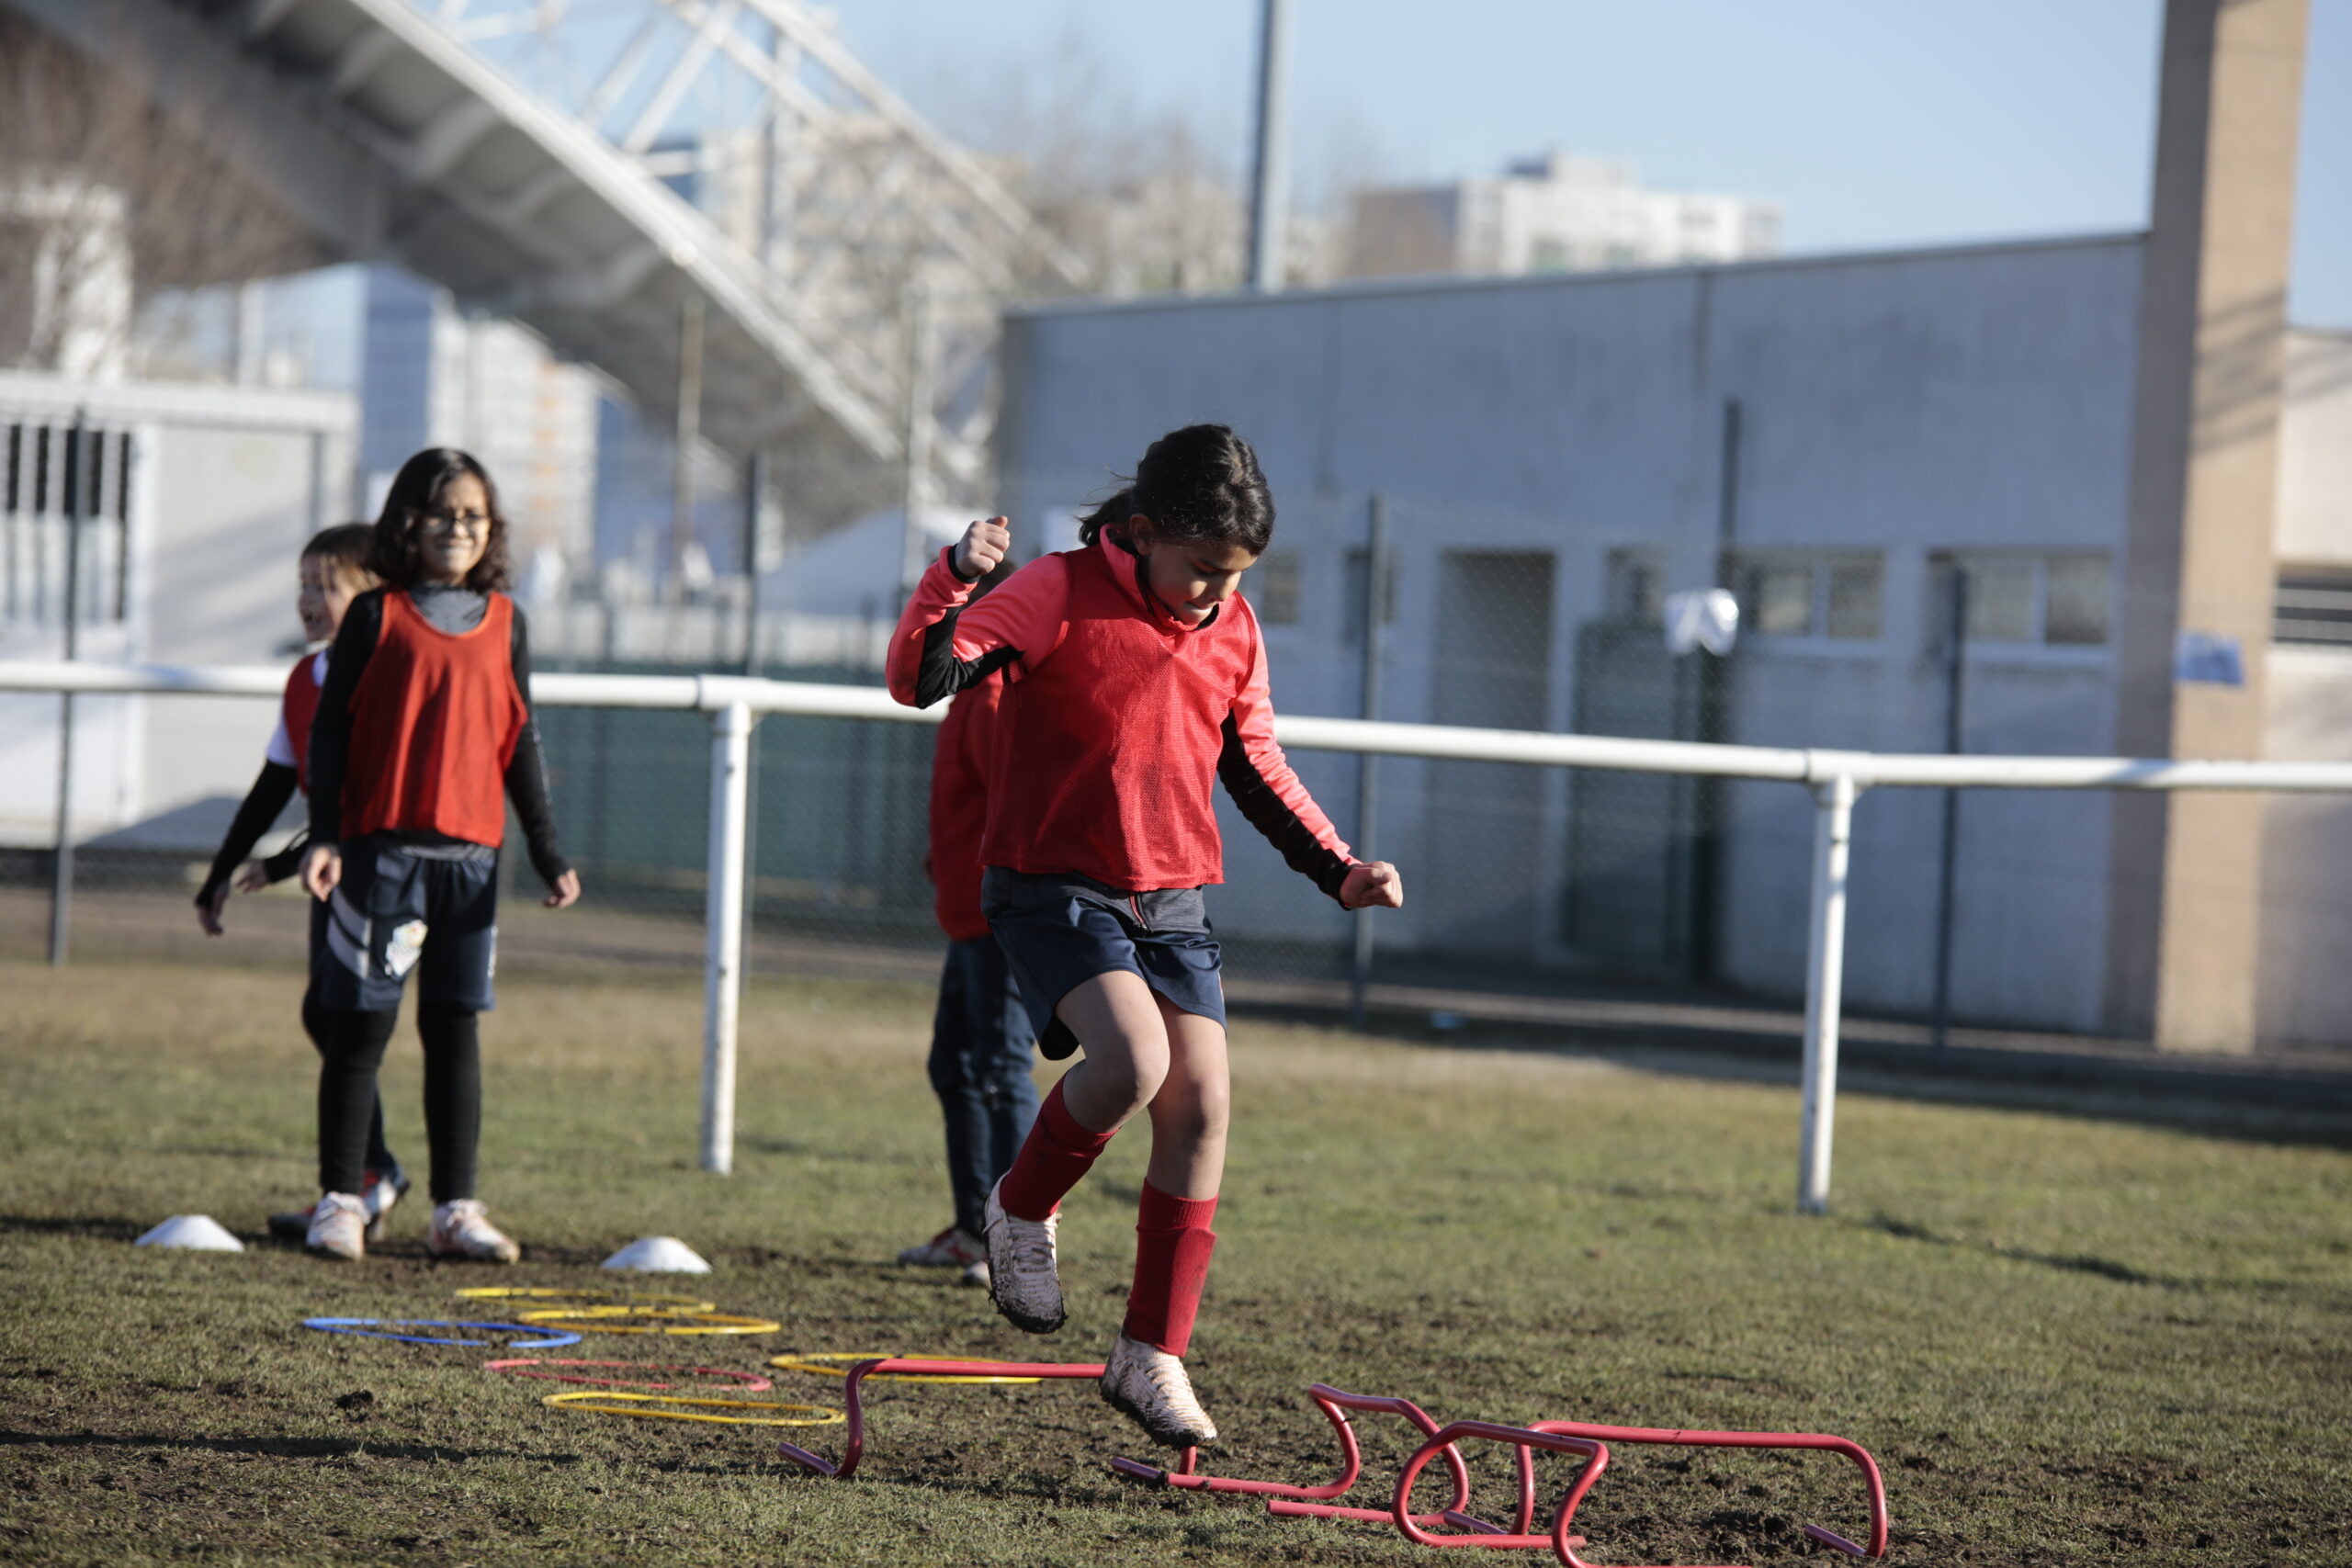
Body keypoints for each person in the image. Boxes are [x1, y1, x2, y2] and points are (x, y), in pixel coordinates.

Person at [887, 423, 1404, 1450]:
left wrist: (1337, 867)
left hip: (1171, 902)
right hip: (1051, 887)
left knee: (1202, 1103)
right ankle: (1018, 1212)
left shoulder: (1233, 626)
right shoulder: (1053, 589)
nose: (1214, 593)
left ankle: (1148, 1354)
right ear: (1144, 531)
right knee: (1131, 1062)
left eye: (1233, 576)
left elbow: (1255, 764)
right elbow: (921, 678)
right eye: (1200, 569)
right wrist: (951, 579)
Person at [297, 447, 581, 1262]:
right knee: (360, 1032)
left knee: (455, 1030)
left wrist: (548, 847)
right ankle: (340, 1200)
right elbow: (331, 734)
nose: (457, 527)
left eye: (473, 514)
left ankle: (456, 1207)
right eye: (441, 512)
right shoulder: (374, 617)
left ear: (490, 528)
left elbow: (517, 739)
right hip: (380, 855)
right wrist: (324, 836)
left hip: (472, 864)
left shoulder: (506, 621)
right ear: (407, 521)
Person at [194, 524, 411, 1241]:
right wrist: (224, 868)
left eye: (330, 585)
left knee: (346, 1019)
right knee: (327, 1014)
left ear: (376, 597)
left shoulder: (385, 674)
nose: (310, 600)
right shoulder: (305, 678)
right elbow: (276, 783)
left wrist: (284, 863)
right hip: (332, 873)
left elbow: (368, 797)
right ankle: (372, 1174)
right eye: (304, 585)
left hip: (384, 869)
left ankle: (364, 1185)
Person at [897, 559, 1037, 1288]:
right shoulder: (965, 696)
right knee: (955, 1066)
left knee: (998, 1068)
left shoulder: (991, 697)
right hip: (967, 913)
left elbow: (1013, 804)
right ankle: (971, 1228)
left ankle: (1013, 1242)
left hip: (997, 917)